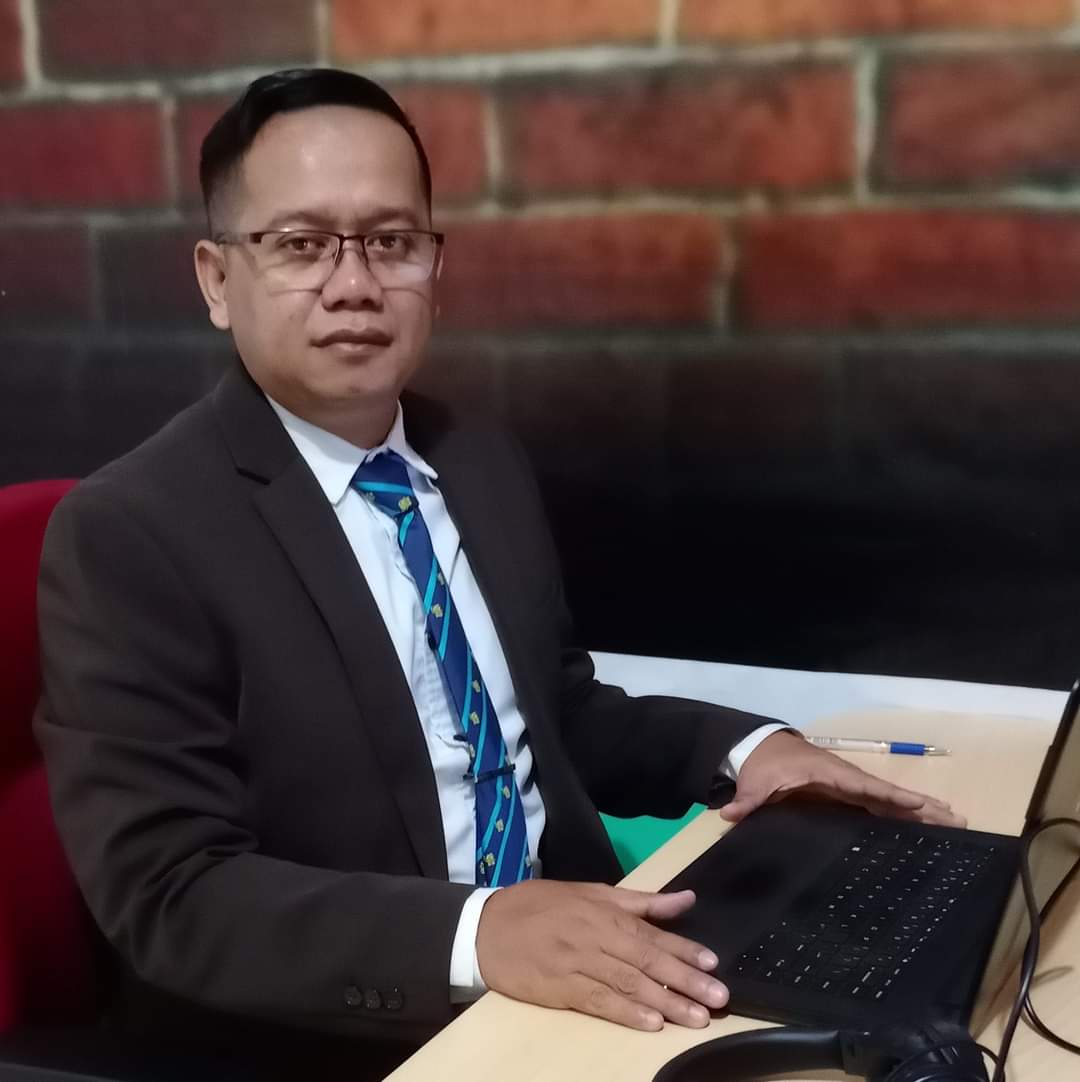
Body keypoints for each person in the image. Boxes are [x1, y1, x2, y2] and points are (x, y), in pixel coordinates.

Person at [34, 68, 961, 1079]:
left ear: (435, 266)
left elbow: (557, 711)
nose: (354, 284)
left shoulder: (475, 456)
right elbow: (172, 896)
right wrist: (480, 932)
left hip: (598, 970)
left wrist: (747, 750)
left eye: (391, 241)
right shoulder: (131, 533)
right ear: (218, 279)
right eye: (301, 245)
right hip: (353, 1036)